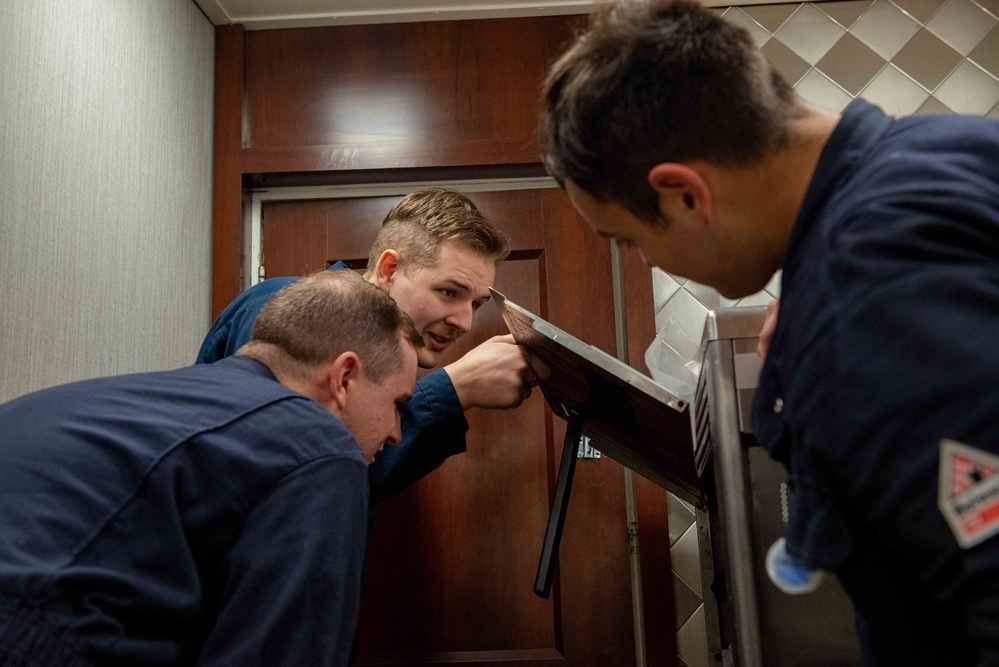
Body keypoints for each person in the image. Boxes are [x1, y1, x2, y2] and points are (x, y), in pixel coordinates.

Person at [539, 1, 999, 664]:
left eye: (626, 239)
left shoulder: (861, 291)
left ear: (682, 193)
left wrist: (832, 327)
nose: (645, 260)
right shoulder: (948, 150)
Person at [0, 270, 421, 666]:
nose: (397, 433)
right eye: (398, 404)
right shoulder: (319, 447)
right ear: (344, 377)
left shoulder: (99, 399)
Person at [198, 187, 542, 506]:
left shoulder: (380, 349)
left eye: (476, 304)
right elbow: (295, 481)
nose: (464, 322)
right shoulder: (284, 307)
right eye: (449, 292)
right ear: (389, 270)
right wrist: (455, 389)